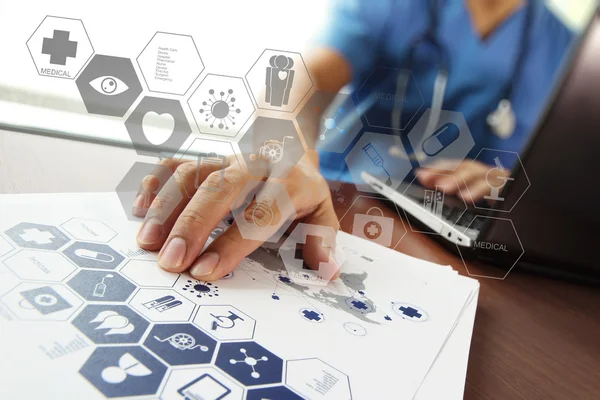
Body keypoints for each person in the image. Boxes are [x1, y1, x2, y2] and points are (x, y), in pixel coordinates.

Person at [134, 0, 573, 281]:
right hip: (339, 196)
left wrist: (504, 180)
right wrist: (286, 152)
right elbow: (303, 77)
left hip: (448, 228)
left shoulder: (561, 42)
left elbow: (554, 161)